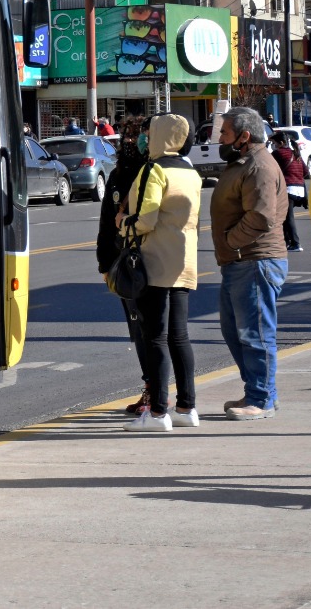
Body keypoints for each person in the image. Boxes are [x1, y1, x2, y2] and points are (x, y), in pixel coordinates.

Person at [121, 114, 201, 431]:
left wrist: (125, 223)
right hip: (185, 260)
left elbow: (145, 218)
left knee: (155, 337)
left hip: (155, 262)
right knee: (179, 336)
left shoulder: (153, 170)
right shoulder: (191, 172)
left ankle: (156, 413)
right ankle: (186, 407)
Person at [211, 106, 288, 421]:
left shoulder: (258, 166)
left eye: (225, 133)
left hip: (254, 261)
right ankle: (260, 391)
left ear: (244, 136)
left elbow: (260, 216)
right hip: (239, 263)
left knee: (255, 333)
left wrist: (230, 241)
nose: (220, 138)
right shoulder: (242, 162)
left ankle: (262, 398)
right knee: (235, 331)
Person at [96, 115, 150, 412]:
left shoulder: (155, 172)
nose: (131, 142)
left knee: (157, 331)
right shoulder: (118, 176)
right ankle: (150, 387)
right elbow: (106, 223)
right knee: (138, 330)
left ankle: (165, 394)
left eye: (138, 137)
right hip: (125, 264)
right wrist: (105, 264)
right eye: (127, 137)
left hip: (154, 259)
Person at [270, 132, 308, 252]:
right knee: (284, 216)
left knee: (287, 217)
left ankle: (296, 243)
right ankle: (286, 242)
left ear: (281, 143)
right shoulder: (295, 153)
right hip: (299, 190)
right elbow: (306, 172)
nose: (273, 145)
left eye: (274, 143)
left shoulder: (277, 153)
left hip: (287, 189)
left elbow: (267, 167)